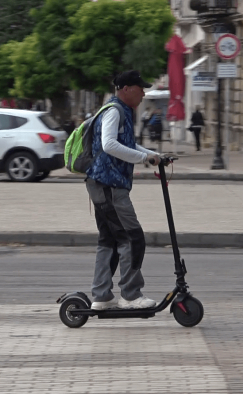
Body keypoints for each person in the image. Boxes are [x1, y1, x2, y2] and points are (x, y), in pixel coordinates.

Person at [85, 70, 161, 311]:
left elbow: (125, 144)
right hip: (109, 184)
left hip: (102, 183)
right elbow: (109, 145)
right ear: (126, 88)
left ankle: (101, 296)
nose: (143, 93)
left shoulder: (119, 110)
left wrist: (151, 155)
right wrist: (143, 158)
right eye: (140, 88)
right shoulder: (115, 111)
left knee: (109, 239)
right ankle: (130, 295)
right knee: (132, 237)